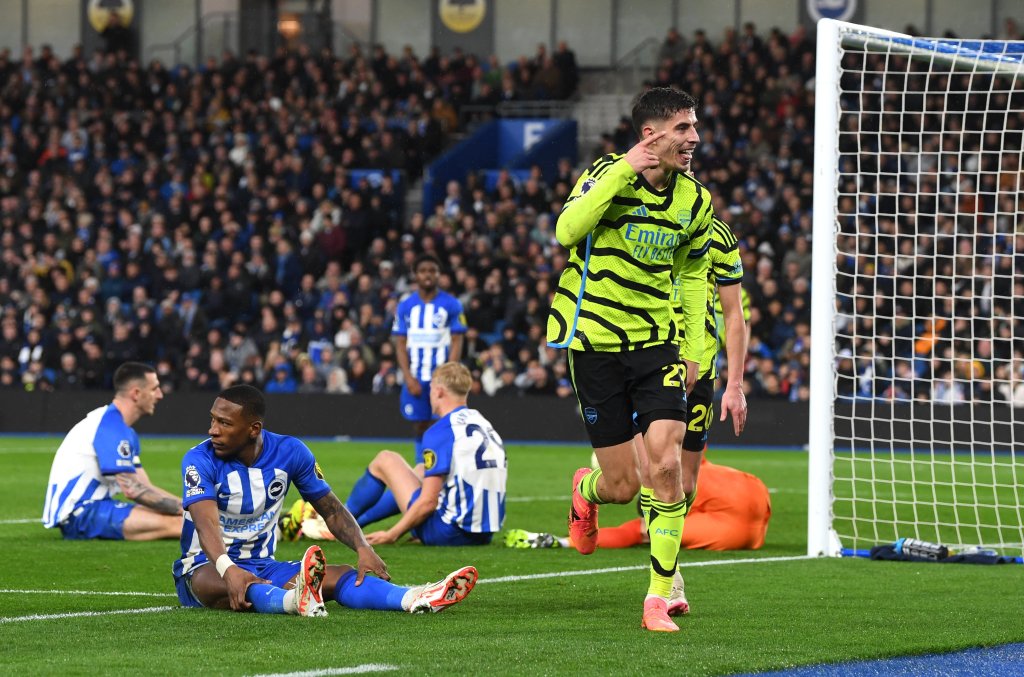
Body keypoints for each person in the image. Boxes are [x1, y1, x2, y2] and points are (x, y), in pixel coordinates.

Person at [546, 87, 713, 632]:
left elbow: (693, 274)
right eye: (683, 128)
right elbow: (566, 232)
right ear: (651, 134)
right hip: (594, 343)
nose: (694, 138)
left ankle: (658, 598)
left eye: (694, 127)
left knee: (666, 469)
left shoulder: (696, 201)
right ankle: (586, 489)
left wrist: (694, 349)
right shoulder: (605, 173)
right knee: (621, 486)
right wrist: (623, 170)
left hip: (656, 345)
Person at [172, 384, 477, 616]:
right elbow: (205, 522)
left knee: (342, 574)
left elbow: (330, 509)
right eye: (213, 420)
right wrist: (229, 569)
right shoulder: (199, 460)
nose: (213, 430)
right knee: (223, 582)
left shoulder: (290, 452)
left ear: (254, 429)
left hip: (263, 564)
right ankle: (294, 601)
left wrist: (363, 547)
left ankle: (415, 597)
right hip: (205, 568)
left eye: (224, 423)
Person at [293, 363, 506, 546]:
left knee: (386, 460)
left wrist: (392, 533)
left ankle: (338, 522)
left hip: (450, 533)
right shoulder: (483, 423)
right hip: (484, 533)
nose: (429, 395)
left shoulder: (441, 430)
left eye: (431, 389)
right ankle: (353, 522)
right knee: (420, 470)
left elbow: (428, 502)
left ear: (439, 391)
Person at [356, 253, 465, 527]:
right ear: (415, 274)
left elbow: (457, 339)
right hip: (416, 377)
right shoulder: (406, 306)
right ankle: (422, 472)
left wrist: (447, 373)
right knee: (420, 425)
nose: (428, 275)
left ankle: (433, 476)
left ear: (438, 274)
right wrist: (407, 376)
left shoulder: (451, 304)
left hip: (439, 379)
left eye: (433, 270)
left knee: (441, 425)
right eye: (423, 270)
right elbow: (400, 343)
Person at [503, 456, 770, 550]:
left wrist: (564, 542)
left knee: (652, 529)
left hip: (736, 528)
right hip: (754, 489)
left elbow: (636, 530)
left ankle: (558, 541)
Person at [42, 362, 183, 540]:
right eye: (154, 389)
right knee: (183, 524)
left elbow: (145, 486)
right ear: (136, 393)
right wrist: (190, 511)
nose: (160, 395)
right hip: (80, 513)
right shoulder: (110, 426)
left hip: (96, 507)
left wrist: (191, 507)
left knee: (187, 520)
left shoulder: (121, 429)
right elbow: (132, 490)